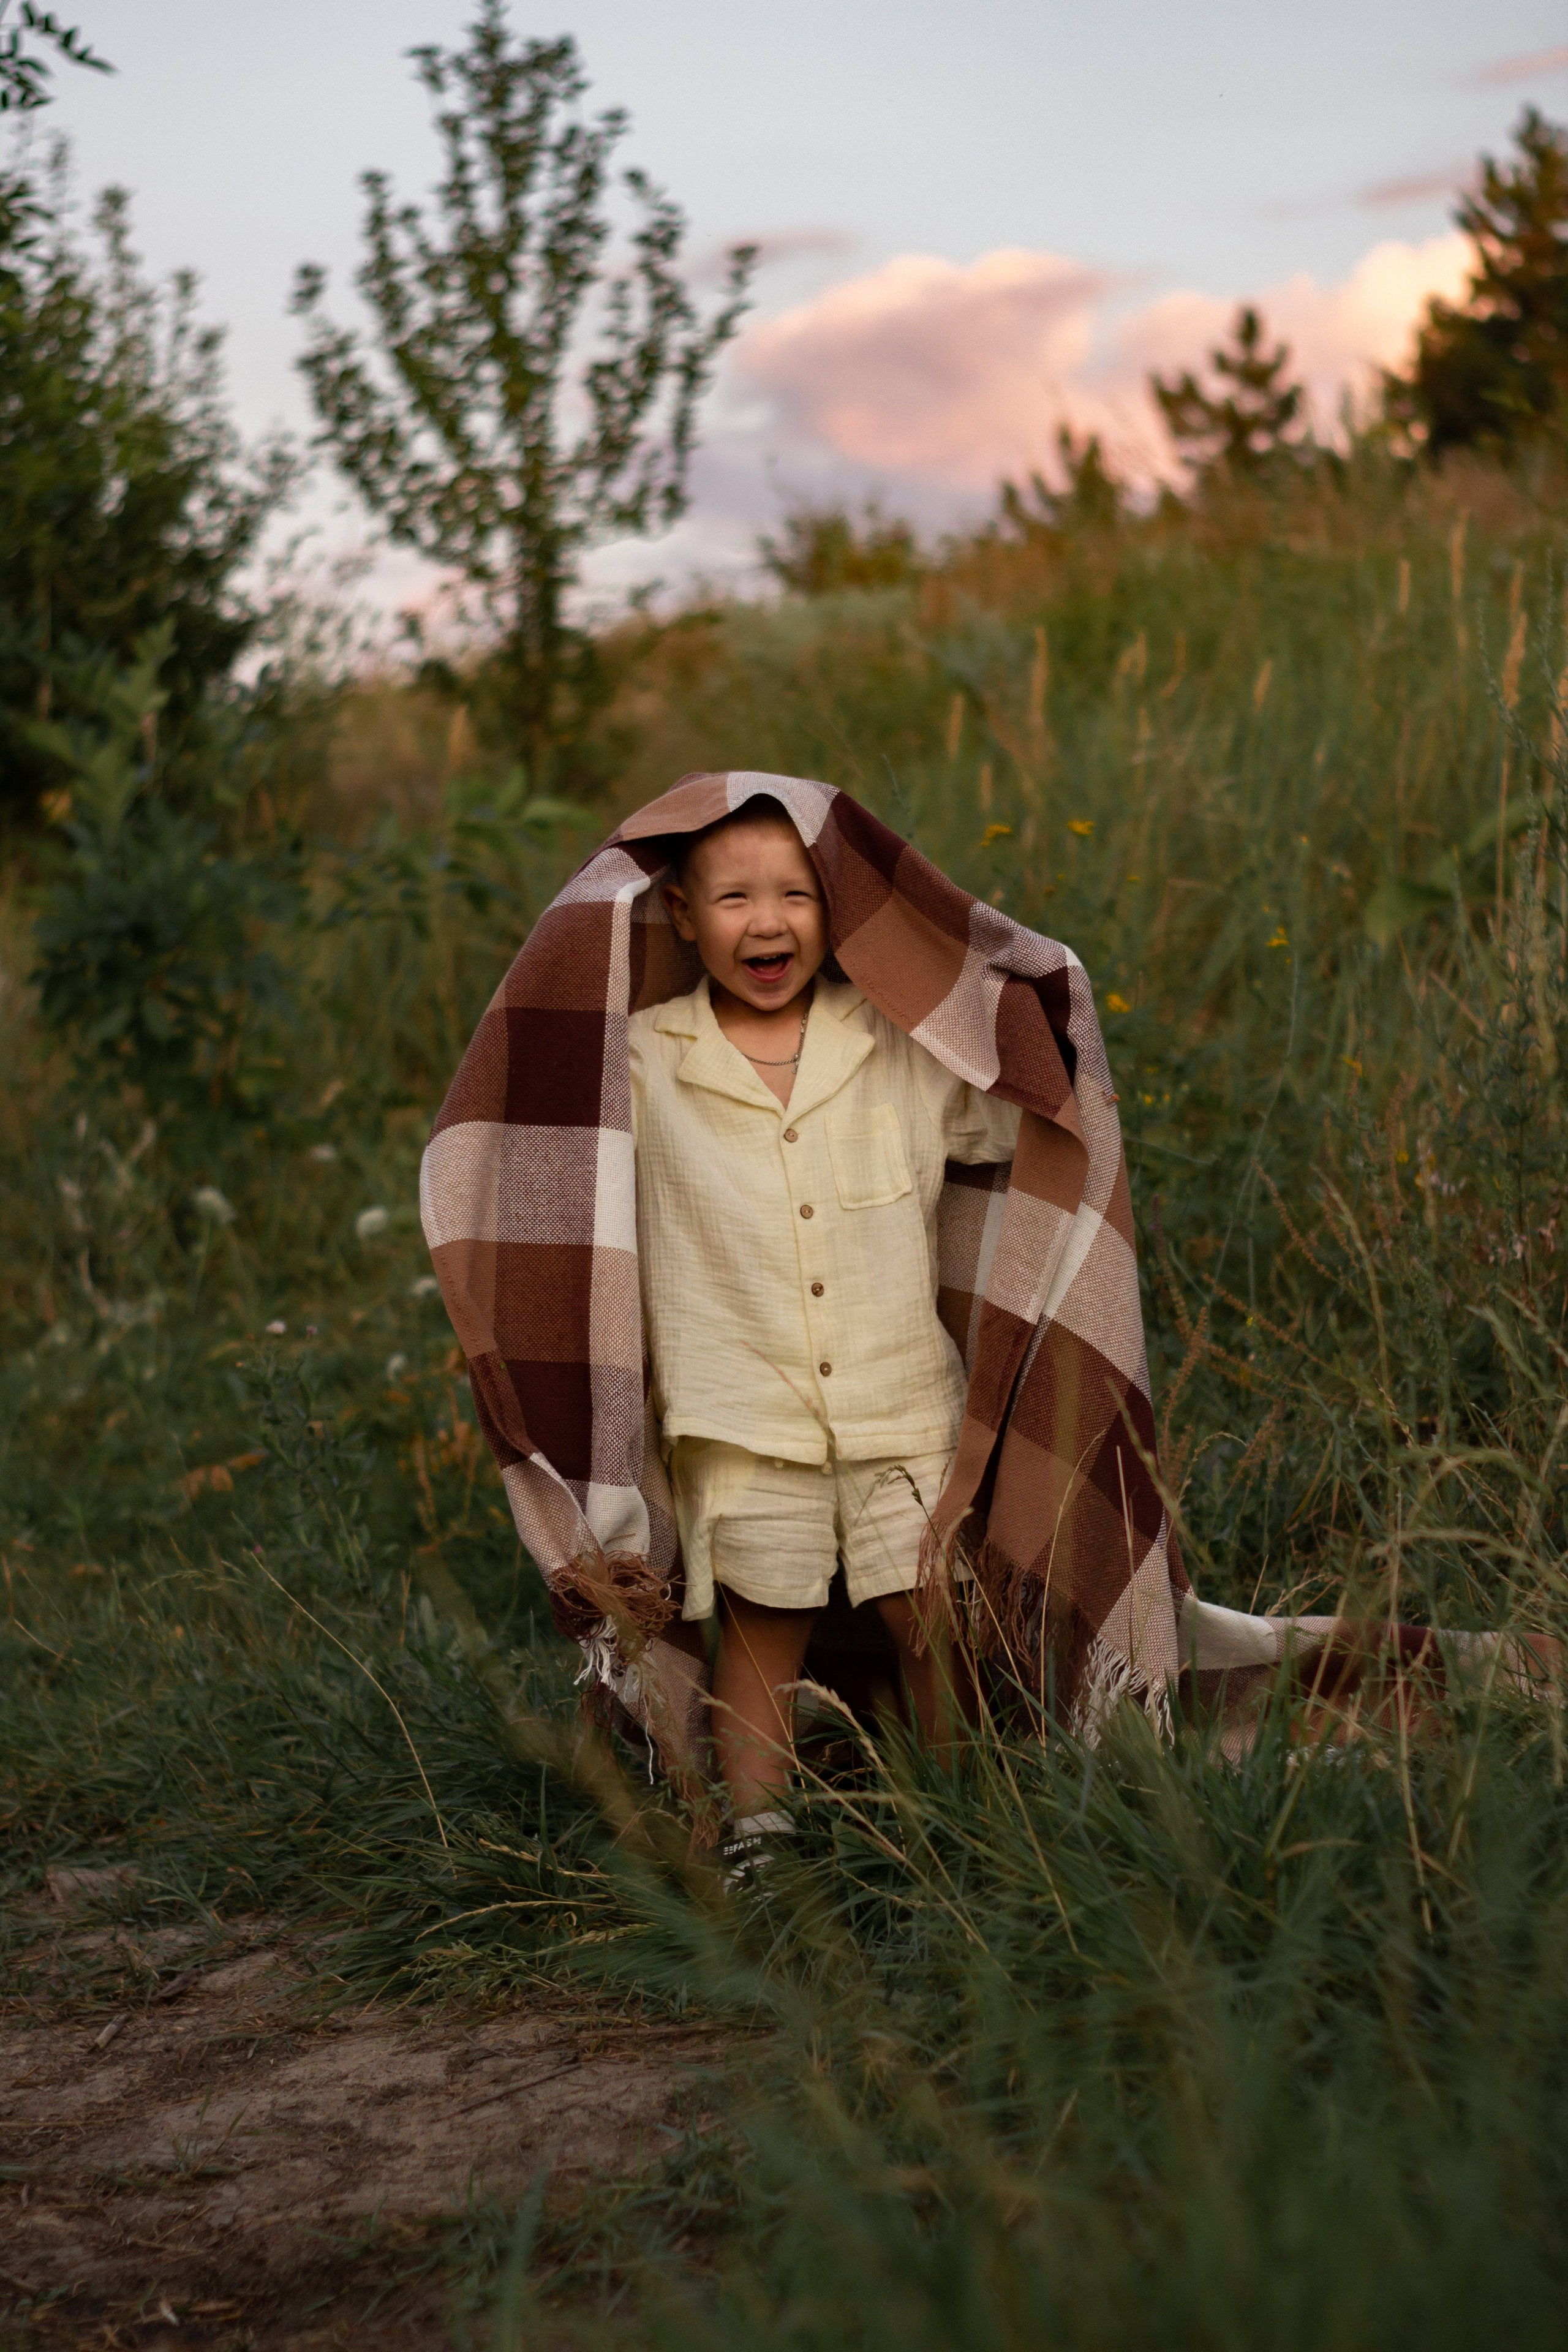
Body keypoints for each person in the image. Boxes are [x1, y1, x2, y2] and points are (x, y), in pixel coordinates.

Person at [628, 796, 1019, 1872]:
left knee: (930, 1616)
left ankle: (962, 1821)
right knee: (762, 1629)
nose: (770, 921)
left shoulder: (896, 1041)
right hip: (739, 1407)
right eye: (737, 896)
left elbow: (1014, 1101)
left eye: (798, 894)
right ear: (683, 913)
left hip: (902, 1399)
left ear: (838, 911)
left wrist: (1027, 989)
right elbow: (559, 1166)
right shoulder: (644, 1063)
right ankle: (761, 1838)